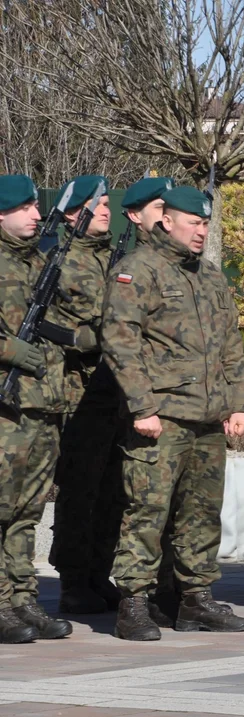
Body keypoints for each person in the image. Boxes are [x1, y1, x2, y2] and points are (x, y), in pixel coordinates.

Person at [102, 186, 244, 641]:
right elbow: (120, 341)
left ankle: (196, 600)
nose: (202, 232)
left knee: (202, 514)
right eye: (194, 223)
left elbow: (231, 345)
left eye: (206, 224)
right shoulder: (137, 270)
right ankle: (133, 602)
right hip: (162, 417)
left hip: (208, 418)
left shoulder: (209, 277)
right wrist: (142, 406)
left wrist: (239, 402)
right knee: (147, 512)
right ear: (166, 220)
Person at [50, 175, 129, 615]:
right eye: (96, 203)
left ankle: (100, 571)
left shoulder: (115, 259)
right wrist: (81, 338)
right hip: (77, 390)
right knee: (80, 488)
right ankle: (73, 580)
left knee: (114, 488)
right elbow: (40, 320)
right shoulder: (58, 259)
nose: (105, 208)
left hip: (117, 389)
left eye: (106, 202)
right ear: (71, 212)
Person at [0, 175, 71, 643]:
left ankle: (23, 599)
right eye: (24, 207)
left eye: (34, 205)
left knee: (27, 510)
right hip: (6, 407)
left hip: (43, 403)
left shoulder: (42, 260)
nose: (34, 213)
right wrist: (7, 349)